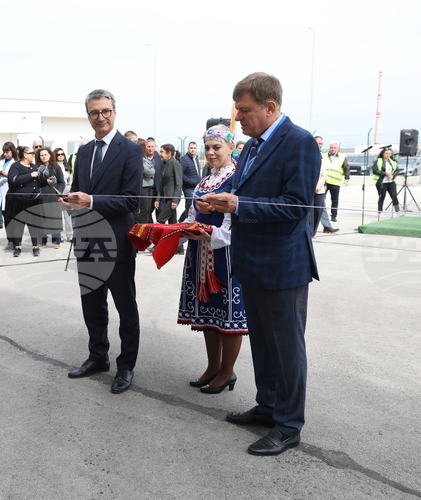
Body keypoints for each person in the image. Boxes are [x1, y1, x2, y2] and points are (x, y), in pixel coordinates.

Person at [202, 72, 320, 456]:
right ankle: (268, 406)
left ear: (270, 107)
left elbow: (296, 206)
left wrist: (238, 204)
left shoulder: (299, 142)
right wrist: (217, 199)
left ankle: (288, 425)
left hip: (283, 265)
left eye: (244, 109)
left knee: (286, 349)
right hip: (251, 262)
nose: (238, 117)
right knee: (264, 345)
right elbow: (242, 191)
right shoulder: (252, 146)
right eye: (237, 109)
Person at [60, 89, 143, 394]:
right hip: (87, 238)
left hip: (117, 241)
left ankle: (126, 365)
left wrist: (91, 200)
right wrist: (69, 200)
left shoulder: (130, 150)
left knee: (125, 307)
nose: (101, 117)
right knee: (92, 305)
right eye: (94, 112)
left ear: (114, 112)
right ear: (88, 116)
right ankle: (98, 356)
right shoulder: (83, 152)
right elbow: (78, 189)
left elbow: (131, 200)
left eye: (105, 111)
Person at [178, 126, 247, 394]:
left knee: (228, 315)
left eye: (216, 147)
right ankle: (213, 367)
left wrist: (209, 233)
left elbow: (233, 223)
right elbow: (191, 215)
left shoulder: (237, 178)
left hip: (225, 254)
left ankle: (227, 371)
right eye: (207, 147)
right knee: (209, 312)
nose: (210, 152)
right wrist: (184, 230)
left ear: (230, 147)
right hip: (200, 252)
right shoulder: (204, 180)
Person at [5, 146, 45, 257]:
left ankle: (35, 246)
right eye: (32, 153)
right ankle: (17, 247)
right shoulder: (16, 166)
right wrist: (30, 175)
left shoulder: (34, 166)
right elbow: (13, 180)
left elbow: (38, 182)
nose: (33, 155)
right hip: (19, 200)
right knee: (18, 224)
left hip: (33, 200)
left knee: (34, 224)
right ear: (25, 155)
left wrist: (47, 180)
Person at [36, 147, 66, 248]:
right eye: (42, 155)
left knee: (55, 218)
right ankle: (42, 240)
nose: (44, 157)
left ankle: (57, 241)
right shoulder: (37, 167)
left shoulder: (56, 167)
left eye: (45, 154)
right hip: (42, 196)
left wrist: (58, 194)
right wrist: (45, 181)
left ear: (50, 155)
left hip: (54, 196)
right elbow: (36, 182)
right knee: (42, 219)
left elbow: (62, 182)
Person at [313, 137, 338, 234]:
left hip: (322, 185)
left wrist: (324, 184)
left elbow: (323, 171)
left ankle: (327, 226)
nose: (320, 145)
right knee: (317, 208)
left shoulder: (320, 155)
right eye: (318, 143)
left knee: (321, 206)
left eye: (321, 144)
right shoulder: (317, 154)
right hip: (312, 187)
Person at [154, 144, 182, 224]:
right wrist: (158, 199)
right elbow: (162, 184)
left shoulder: (175, 164)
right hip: (165, 198)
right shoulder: (165, 164)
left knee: (160, 220)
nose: (160, 154)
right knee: (172, 222)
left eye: (162, 152)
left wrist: (175, 200)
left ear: (169, 153)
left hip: (171, 199)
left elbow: (179, 184)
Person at [323, 141, 349, 222]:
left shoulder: (342, 157)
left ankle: (333, 216)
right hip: (325, 182)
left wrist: (346, 179)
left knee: (334, 200)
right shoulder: (324, 156)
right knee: (321, 199)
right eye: (331, 148)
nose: (333, 149)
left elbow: (346, 168)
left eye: (334, 148)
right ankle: (321, 215)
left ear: (338, 148)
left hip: (335, 182)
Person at [0, 142, 17, 238]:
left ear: (12, 151)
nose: (5, 154)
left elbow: (19, 177)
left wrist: (8, 175)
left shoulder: (16, 162)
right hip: (1, 189)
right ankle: (10, 238)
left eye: (7, 152)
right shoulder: (1, 161)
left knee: (13, 217)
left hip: (11, 190)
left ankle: (15, 239)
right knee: (6, 217)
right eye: (4, 152)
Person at [54, 147, 73, 244]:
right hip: (58, 190)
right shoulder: (54, 166)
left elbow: (69, 179)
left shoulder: (67, 166)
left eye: (62, 154)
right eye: (58, 154)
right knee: (58, 215)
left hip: (67, 190)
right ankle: (59, 236)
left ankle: (70, 235)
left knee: (68, 214)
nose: (60, 156)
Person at [178, 142, 202, 221]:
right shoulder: (184, 159)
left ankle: (181, 221)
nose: (193, 150)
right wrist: (191, 181)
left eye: (194, 148)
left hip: (196, 187)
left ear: (197, 149)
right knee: (189, 206)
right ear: (188, 148)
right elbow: (180, 174)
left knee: (193, 206)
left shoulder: (196, 158)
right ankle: (186, 222)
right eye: (191, 148)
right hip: (188, 188)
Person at [372, 147, 400, 213]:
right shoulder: (378, 161)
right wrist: (385, 173)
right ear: (383, 153)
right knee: (382, 197)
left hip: (391, 181)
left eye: (390, 153)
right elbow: (375, 171)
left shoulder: (393, 161)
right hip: (381, 182)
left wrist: (393, 175)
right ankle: (380, 212)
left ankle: (397, 211)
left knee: (394, 196)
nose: (388, 155)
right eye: (387, 153)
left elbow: (397, 170)